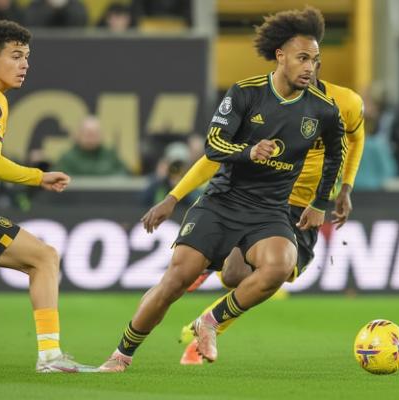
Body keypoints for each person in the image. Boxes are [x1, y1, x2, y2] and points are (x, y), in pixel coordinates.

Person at [99, 6, 345, 372]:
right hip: (222, 203)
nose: (310, 67)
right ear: (280, 56)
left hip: (269, 211)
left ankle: (210, 321)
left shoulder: (324, 110)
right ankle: (121, 355)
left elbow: (337, 154)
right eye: (302, 58)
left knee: (280, 266)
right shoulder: (246, 93)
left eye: (315, 60)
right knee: (176, 281)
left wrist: (321, 202)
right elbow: (213, 145)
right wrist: (248, 151)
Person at [152, 60, 365, 365]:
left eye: (309, 60)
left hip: (307, 205)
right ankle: (207, 319)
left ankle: (208, 299)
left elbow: (356, 140)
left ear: (318, 64)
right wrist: (175, 195)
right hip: (264, 200)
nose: (303, 69)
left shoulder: (343, 104)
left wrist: (346, 187)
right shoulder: (263, 104)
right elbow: (214, 157)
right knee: (256, 275)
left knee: (251, 275)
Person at [0, 20, 95, 372]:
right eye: (15, 56)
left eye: (26, 56)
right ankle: (50, 356)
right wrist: (38, 177)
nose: (24, 64)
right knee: (44, 257)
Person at [54, 115, 129, 176]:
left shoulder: (110, 155)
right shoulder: (67, 158)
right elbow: (57, 179)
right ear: (78, 135)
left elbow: (125, 175)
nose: (90, 138)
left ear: (101, 135)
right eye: (87, 133)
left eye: (94, 134)